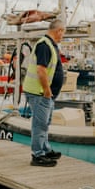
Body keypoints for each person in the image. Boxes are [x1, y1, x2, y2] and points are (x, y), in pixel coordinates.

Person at [22, 19, 65, 167]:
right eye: (63, 32)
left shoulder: (50, 45)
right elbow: (41, 70)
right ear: (58, 30)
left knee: (45, 123)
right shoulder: (44, 45)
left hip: (45, 93)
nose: (62, 36)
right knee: (40, 124)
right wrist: (47, 90)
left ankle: (45, 149)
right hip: (39, 92)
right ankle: (37, 155)